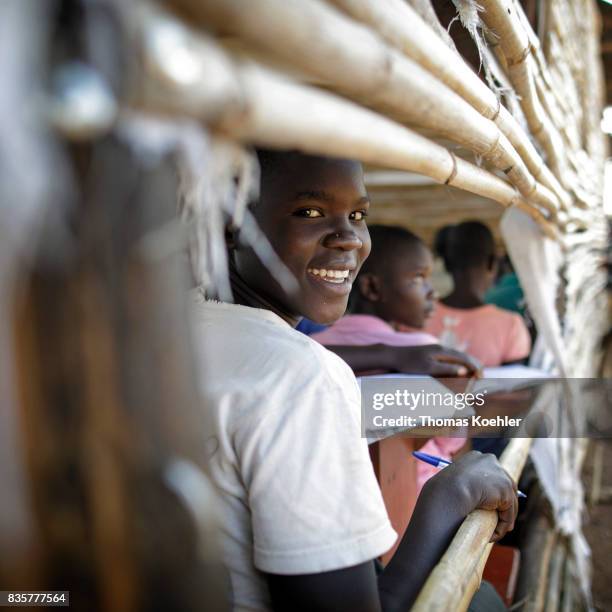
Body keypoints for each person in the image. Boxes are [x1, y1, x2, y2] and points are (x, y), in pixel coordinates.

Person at [191, 150, 519, 611]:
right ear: (231, 225)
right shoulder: (299, 374)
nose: (349, 238)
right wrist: (449, 496)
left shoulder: (170, 331)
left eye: (358, 215)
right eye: (310, 212)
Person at [311, 225, 467, 490]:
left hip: (339, 490)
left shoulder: (315, 345)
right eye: (419, 278)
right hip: (417, 495)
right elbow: (451, 440)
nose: (432, 292)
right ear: (372, 287)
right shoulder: (423, 351)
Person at [418, 221, 531, 368]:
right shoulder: (511, 325)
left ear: (446, 264)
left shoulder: (418, 317)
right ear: (491, 263)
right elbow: (514, 384)